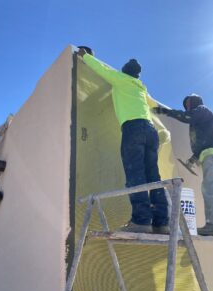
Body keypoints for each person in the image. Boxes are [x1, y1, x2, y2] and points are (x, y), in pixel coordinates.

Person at [77, 47, 169, 234]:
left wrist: (85, 56)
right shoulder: (141, 88)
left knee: (136, 174)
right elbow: (154, 105)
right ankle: (162, 224)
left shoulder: (121, 79)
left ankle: (142, 221)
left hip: (133, 128)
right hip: (150, 131)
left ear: (124, 71)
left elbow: (103, 70)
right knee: (154, 177)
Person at [153, 94, 213, 236]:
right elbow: (205, 141)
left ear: (194, 102)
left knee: (209, 189)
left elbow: (188, 117)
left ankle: (211, 225)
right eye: (186, 105)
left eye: (188, 104)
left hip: (211, 155)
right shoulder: (203, 119)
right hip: (208, 154)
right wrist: (193, 159)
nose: (187, 107)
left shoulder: (201, 110)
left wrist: (166, 112)